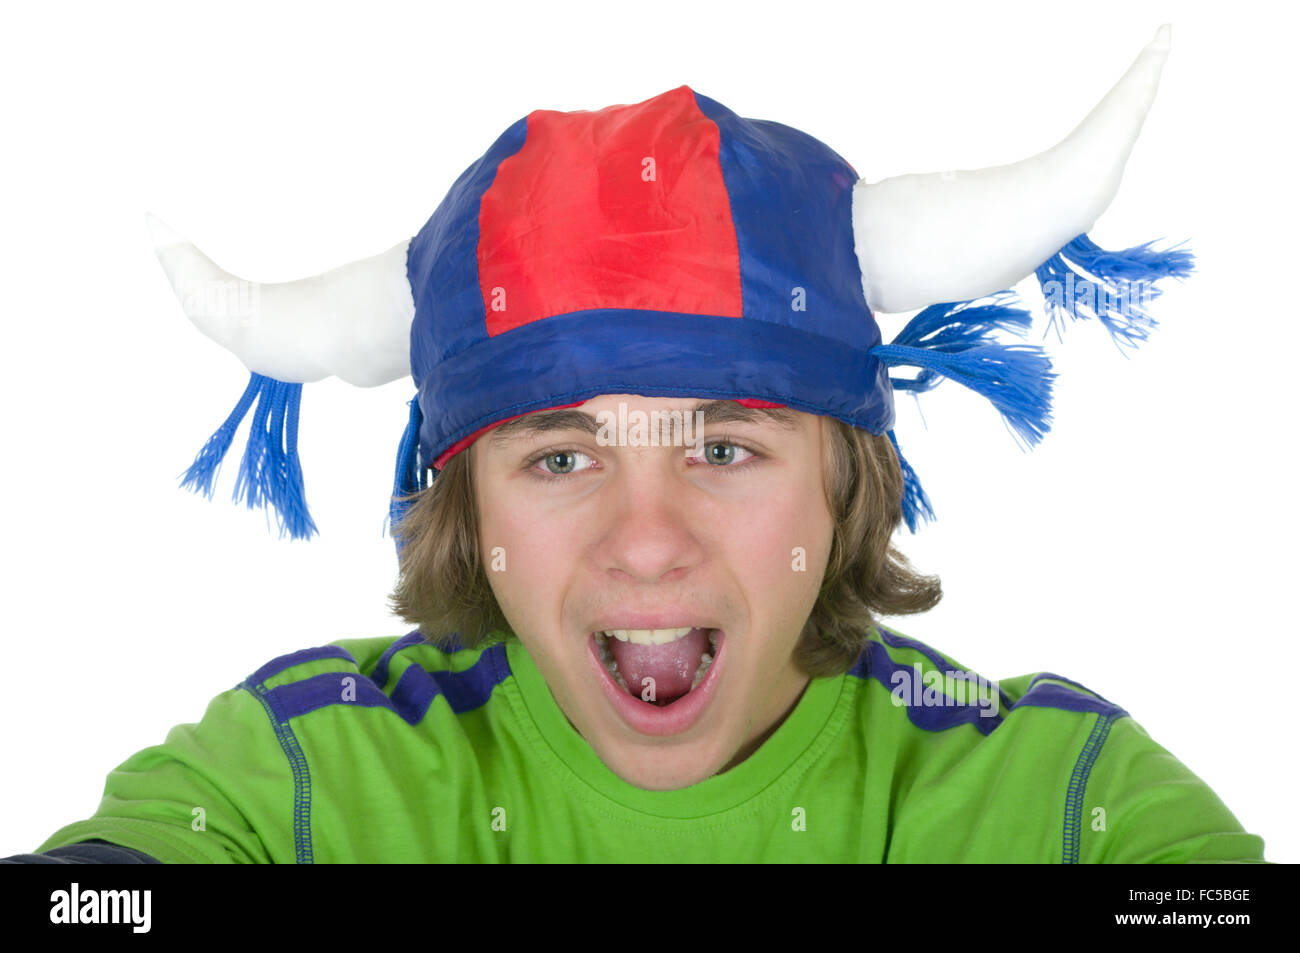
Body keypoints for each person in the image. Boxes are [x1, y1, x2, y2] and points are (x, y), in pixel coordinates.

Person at [1, 26, 1269, 863]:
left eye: (723, 448)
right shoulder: (306, 766)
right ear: (465, 510)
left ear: (845, 483)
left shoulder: (1058, 803)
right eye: (560, 457)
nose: (646, 540)